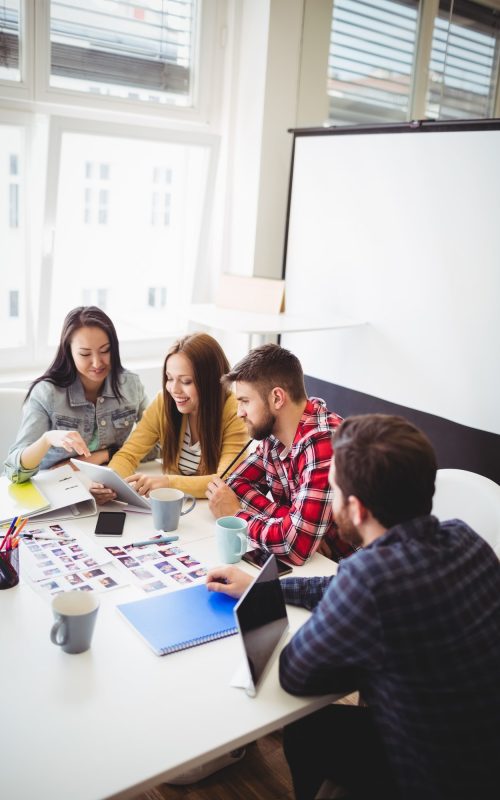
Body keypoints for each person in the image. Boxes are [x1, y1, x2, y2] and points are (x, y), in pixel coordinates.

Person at [207, 414, 500, 800]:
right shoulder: (464, 537)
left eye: (333, 490)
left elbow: (295, 674)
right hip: (484, 754)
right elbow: (345, 588)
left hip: (437, 779)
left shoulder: (369, 578)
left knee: (307, 729)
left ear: (357, 509)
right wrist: (266, 588)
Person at [205, 343, 354, 565]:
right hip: (318, 564)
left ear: (277, 398)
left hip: (347, 569)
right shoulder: (273, 435)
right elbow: (235, 485)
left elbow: (295, 547)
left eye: (245, 401)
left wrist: (236, 515)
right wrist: (288, 521)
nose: (239, 413)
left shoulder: (322, 443)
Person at [93, 332, 248, 502]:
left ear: (210, 381)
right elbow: (128, 455)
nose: (174, 389)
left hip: (210, 509)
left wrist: (168, 483)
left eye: (186, 381)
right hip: (174, 504)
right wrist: (109, 483)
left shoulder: (235, 411)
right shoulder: (164, 402)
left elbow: (226, 480)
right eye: (169, 378)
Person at [5, 306, 152, 483]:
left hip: (107, 479)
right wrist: (47, 439)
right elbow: (13, 470)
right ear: (69, 351)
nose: (97, 363)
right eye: (85, 354)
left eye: (105, 350)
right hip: (53, 484)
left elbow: (158, 444)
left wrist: (102, 455)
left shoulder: (131, 385)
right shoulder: (47, 393)